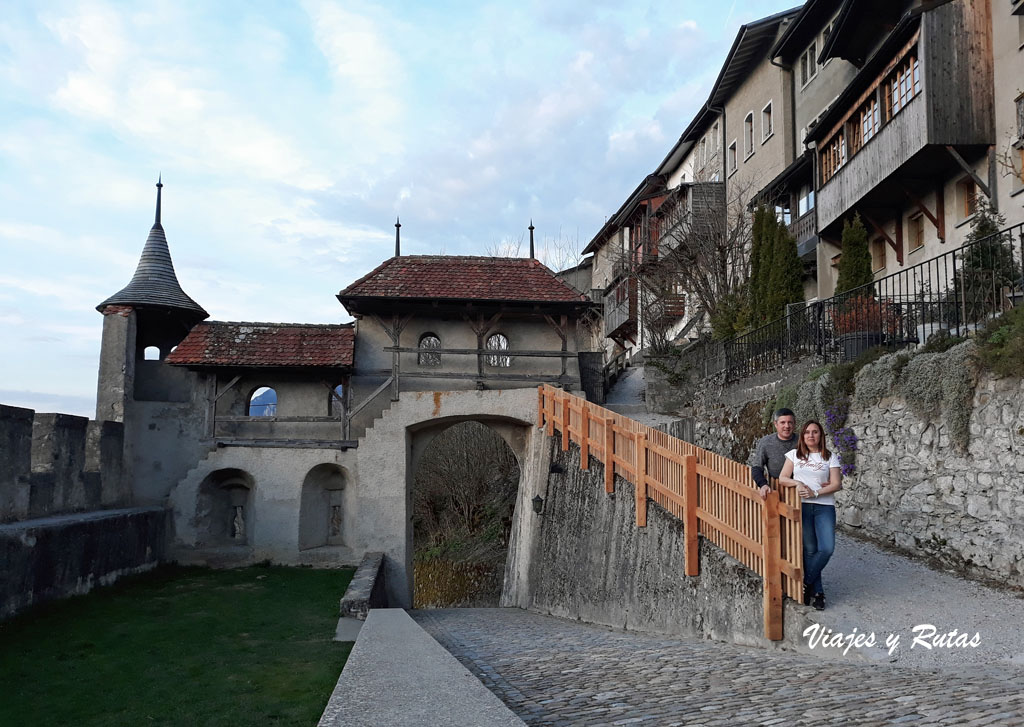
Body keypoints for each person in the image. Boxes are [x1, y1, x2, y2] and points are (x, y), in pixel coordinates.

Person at [778, 420, 842, 611]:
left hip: (824, 508)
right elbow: (782, 478)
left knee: (827, 548)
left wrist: (815, 493)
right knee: (811, 550)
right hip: (802, 508)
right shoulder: (794, 456)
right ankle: (819, 593)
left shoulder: (829, 457)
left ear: (821, 435)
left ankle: (805, 582)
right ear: (803, 436)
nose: (811, 436)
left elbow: (836, 484)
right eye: (807, 432)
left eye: (815, 432)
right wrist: (797, 483)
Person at [749, 408, 797, 501]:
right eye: (783, 422)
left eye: (790, 422)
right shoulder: (766, 443)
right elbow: (757, 467)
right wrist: (763, 485)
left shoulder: (802, 441)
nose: (787, 426)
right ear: (776, 424)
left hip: (802, 491)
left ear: (794, 423)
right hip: (777, 492)